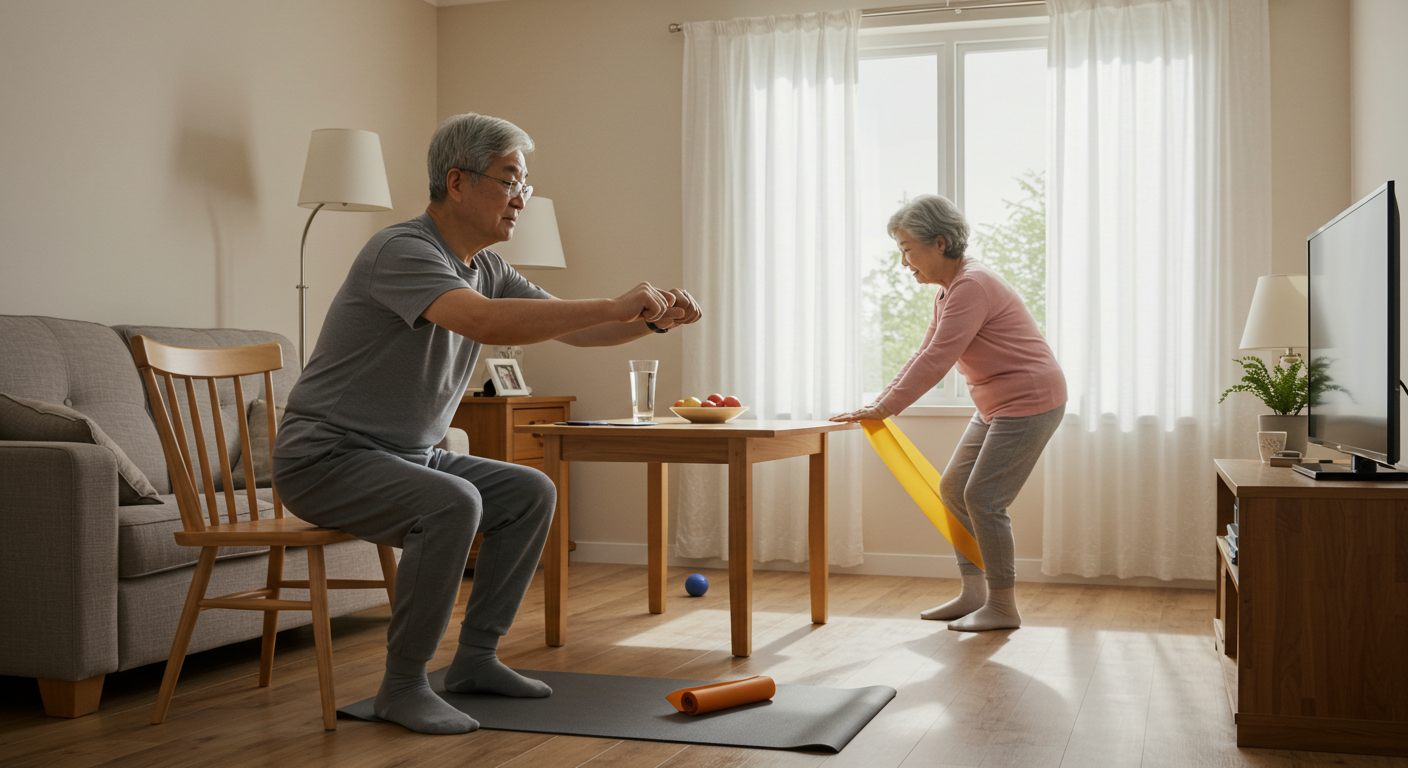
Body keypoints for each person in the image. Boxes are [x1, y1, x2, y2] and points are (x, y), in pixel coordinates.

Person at [272, 113, 702, 735]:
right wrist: (615, 303)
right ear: (457, 182)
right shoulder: (401, 249)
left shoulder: (488, 268)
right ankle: (402, 686)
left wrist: (651, 321)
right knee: (453, 503)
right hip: (325, 458)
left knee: (531, 491)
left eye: (524, 183)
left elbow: (577, 330)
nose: (522, 197)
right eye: (511, 180)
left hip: (407, 455)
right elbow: (485, 324)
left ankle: (475, 660)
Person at [831, 194, 1064, 632]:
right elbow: (923, 352)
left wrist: (885, 408)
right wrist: (879, 403)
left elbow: (938, 359)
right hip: (996, 403)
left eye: (906, 249)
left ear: (939, 242)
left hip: (1029, 401)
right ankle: (975, 594)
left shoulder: (972, 285)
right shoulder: (948, 291)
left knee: (984, 498)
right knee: (955, 488)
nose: (904, 262)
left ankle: (1003, 605)